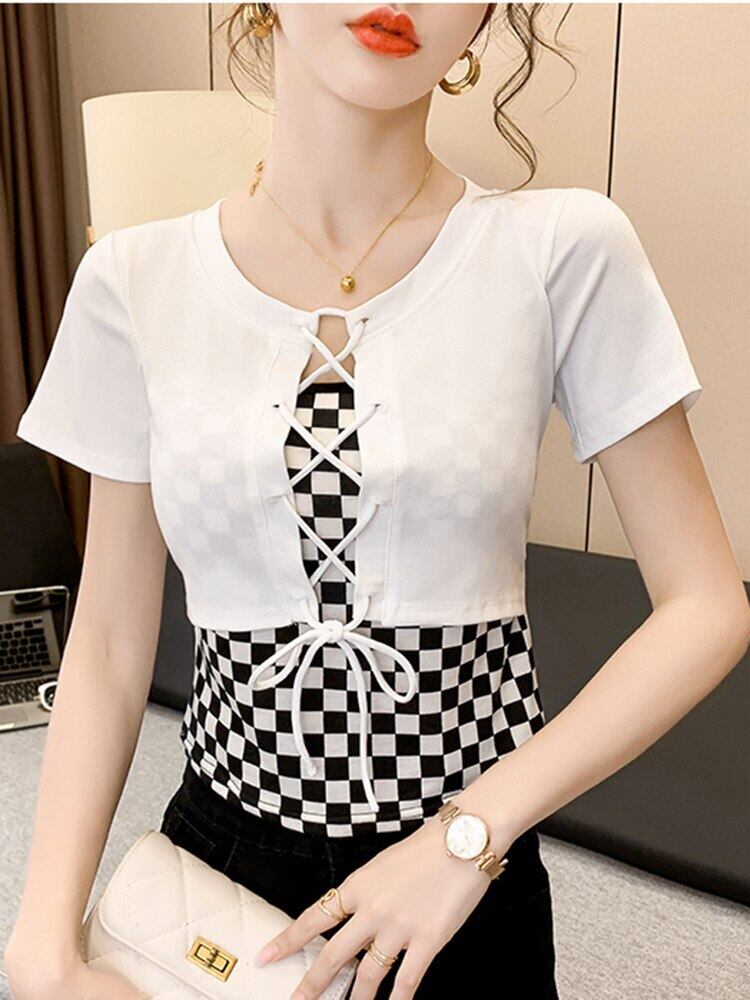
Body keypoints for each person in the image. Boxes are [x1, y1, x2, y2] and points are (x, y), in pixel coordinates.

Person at [6, 4, 749, 1000]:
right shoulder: (132, 281)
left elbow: (706, 605)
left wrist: (465, 836)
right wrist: (42, 943)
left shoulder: (562, 248)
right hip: (216, 878)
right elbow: (104, 639)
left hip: (462, 881)